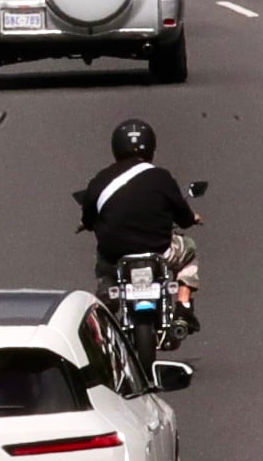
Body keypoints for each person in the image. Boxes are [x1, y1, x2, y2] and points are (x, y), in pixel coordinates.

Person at [76, 118, 203, 326]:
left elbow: (88, 218)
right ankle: (183, 305)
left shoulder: (100, 180)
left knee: (103, 265)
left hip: (115, 257)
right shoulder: (161, 177)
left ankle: (107, 304)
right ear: (151, 147)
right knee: (189, 250)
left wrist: (88, 223)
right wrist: (192, 218)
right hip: (160, 251)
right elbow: (183, 216)